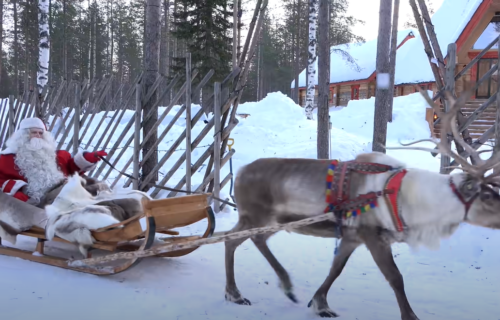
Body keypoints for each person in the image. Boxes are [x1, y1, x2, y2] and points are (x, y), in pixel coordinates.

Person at [0, 117, 108, 205]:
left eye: (40, 133)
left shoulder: (51, 153)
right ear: (23, 135)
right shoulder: (8, 158)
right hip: (44, 197)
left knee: (101, 187)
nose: (38, 136)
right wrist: (16, 191)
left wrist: (88, 158)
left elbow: (70, 168)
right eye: (34, 132)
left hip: (64, 186)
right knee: (87, 197)